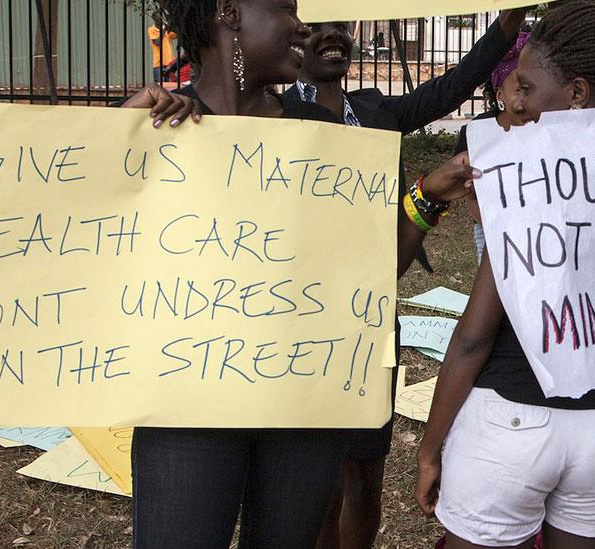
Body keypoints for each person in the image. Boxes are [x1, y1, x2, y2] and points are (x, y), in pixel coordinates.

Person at [120, 1, 479, 547]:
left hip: (302, 406)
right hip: (187, 409)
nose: (302, 25)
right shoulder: (157, 124)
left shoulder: (322, 136)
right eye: (286, 8)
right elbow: (87, 250)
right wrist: (124, 133)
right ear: (228, 12)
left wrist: (425, 198)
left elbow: (372, 271)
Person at [283, 12, 528, 549]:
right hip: (296, 323)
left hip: (369, 321)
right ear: (291, 38)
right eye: (315, 25)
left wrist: (507, 27)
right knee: (315, 482)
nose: (332, 36)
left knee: (365, 471)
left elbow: (451, 88)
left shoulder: (373, 110)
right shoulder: (273, 115)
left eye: (340, 26)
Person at [414, 3, 595, 547]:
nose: (513, 101)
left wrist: (431, 450)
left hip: (512, 425)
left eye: (525, 86)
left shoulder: (538, 190)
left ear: (575, 92)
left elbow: (475, 336)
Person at [453, 31, 532, 265]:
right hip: (489, 229)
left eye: (533, 89)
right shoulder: (478, 133)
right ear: (500, 94)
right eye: (519, 89)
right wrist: (494, 229)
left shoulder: (543, 130)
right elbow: (471, 194)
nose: (527, 99)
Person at [147, 11, 178, 82]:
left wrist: (172, 26)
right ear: (154, 19)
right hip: (158, 64)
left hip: (169, 63)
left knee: (169, 88)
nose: (161, 20)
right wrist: (163, 30)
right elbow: (157, 43)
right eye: (159, 18)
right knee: (160, 87)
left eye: (162, 18)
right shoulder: (152, 30)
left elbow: (176, 36)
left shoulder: (167, 30)